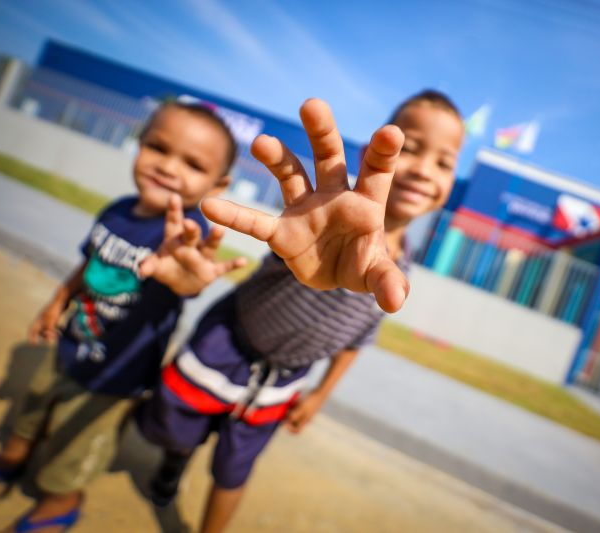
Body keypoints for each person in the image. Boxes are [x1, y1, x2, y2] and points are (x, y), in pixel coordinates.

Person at [136, 91, 465, 533]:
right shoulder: (323, 216)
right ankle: (174, 463)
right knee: (175, 430)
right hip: (228, 342)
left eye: (444, 162)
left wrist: (319, 395)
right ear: (374, 154)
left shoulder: (398, 270)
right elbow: (294, 245)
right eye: (411, 148)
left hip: (285, 377)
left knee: (236, 468)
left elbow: (356, 341)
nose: (425, 169)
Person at [0, 101, 245, 532]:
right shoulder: (116, 210)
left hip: (116, 373)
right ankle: (13, 457)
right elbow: (90, 263)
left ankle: (62, 498)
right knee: (34, 404)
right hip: (69, 341)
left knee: (77, 443)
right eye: (158, 147)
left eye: (192, 164)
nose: (169, 167)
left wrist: (186, 278)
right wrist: (57, 301)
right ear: (139, 143)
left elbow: (185, 279)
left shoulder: (184, 234)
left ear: (218, 183)